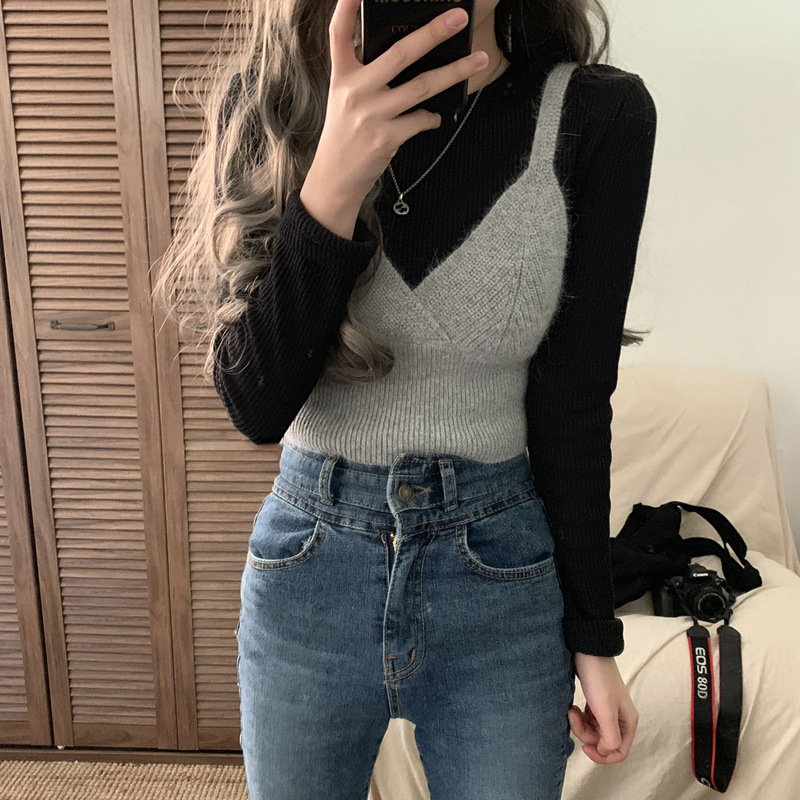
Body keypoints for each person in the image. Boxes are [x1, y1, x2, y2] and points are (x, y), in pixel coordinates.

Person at [153, 0, 656, 797]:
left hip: (501, 579)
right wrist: (333, 181)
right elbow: (255, 403)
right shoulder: (271, 103)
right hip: (308, 574)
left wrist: (594, 637)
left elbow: (575, 402)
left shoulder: (598, 114)